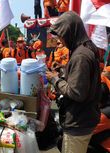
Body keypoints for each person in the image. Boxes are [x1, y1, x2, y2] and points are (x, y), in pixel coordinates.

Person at [46, 11, 101, 153]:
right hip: (84, 118)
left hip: (78, 122)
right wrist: (65, 69)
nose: (61, 41)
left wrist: (54, 79)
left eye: (62, 36)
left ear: (70, 32)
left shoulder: (80, 56)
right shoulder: (85, 49)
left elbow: (76, 92)